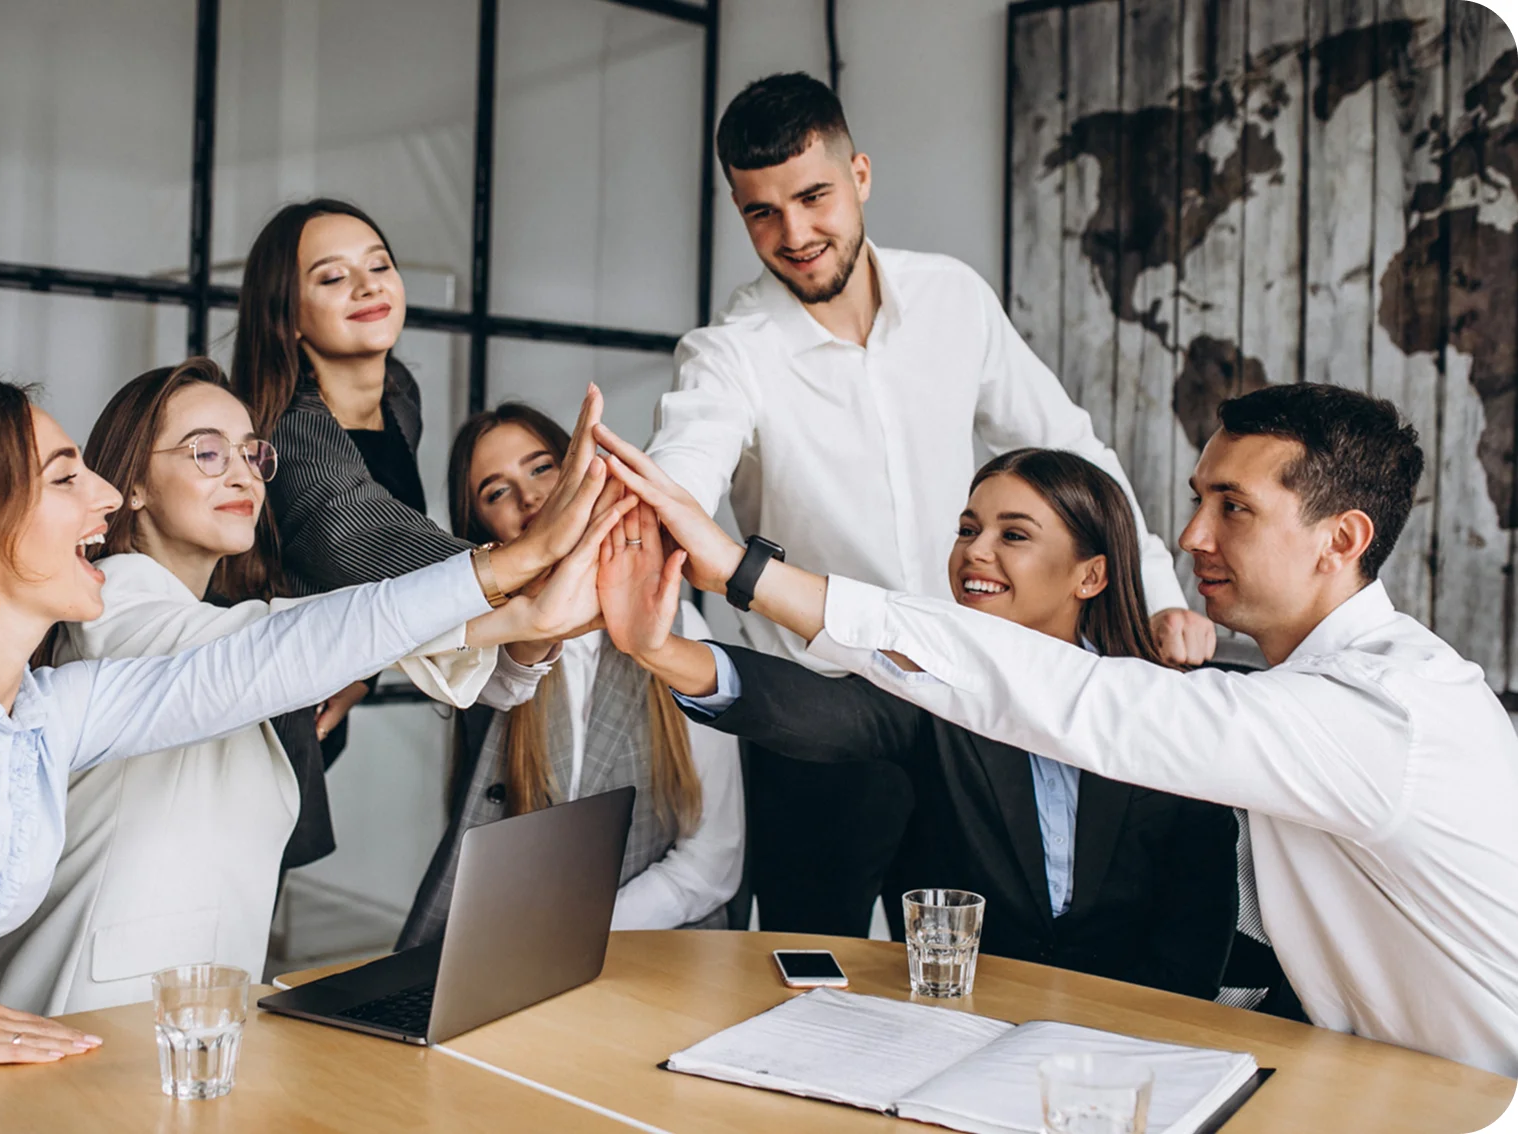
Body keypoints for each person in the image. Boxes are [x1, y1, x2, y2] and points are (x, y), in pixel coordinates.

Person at [0, 377, 625, 1076]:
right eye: (66, 479)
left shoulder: (44, 715)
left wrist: (514, 595)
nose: (103, 496)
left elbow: (261, 660)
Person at [596, 383, 1518, 1076]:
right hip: (1382, 1080)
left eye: (1233, 506)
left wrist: (739, 571)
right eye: (1197, 499)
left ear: (1342, 538)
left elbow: (1073, 699)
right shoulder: (1308, 692)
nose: (1192, 537)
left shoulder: (1378, 713)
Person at [641, 72, 1216, 936]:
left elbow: (1075, 449)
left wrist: (1161, 597)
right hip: (817, 721)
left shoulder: (954, 298)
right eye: (762, 212)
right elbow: (681, 470)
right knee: (809, 974)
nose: (795, 235)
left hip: (962, 711)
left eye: (814, 196)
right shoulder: (730, 354)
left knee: (973, 971)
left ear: (860, 175)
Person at [0, 361, 585, 1015]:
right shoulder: (114, 607)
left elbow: (487, 683)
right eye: (206, 451)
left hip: (193, 1038)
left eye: (252, 453)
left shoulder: (230, 622)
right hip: (74, 1026)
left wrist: (532, 625)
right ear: (132, 484)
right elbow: (274, 648)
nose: (241, 474)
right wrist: (510, 578)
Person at [599, 448, 1237, 997]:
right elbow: (820, 712)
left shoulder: (1162, 709)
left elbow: (1197, 927)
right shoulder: (936, 688)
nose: (974, 553)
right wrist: (660, 649)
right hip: (960, 1024)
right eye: (967, 530)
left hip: (1132, 1045)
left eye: (1013, 535)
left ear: (1090, 574)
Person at [231, 198, 579, 877]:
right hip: (251, 703)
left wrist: (359, 672)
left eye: (379, 265)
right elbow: (363, 535)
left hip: (320, 692)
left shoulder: (399, 394)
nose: (367, 287)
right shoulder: (286, 430)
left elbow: (374, 564)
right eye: (331, 278)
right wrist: (528, 562)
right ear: (286, 313)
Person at [395, 404, 744, 948]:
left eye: (541, 468)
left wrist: (573, 932)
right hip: (512, 945)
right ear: (480, 529)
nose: (529, 498)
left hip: (657, 948)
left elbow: (713, 860)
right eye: (496, 492)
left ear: (583, 471)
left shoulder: (678, 627)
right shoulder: (487, 652)